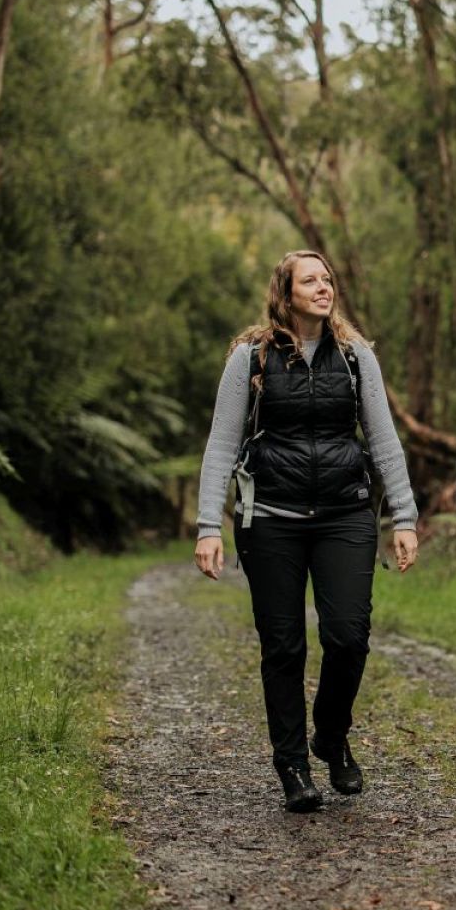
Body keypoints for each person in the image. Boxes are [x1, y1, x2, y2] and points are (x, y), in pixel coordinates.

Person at [193, 250, 420, 813]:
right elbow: (222, 444)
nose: (324, 287)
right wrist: (208, 526)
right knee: (284, 646)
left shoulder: (356, 357)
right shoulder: (251, 358)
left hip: (345, 513)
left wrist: (405, 518)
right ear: (285, 292)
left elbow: (384, 440)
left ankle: (332, 734)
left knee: (349, 636)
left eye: (329, 279)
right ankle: (292, 765)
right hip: (270, 518)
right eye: (311, 280)